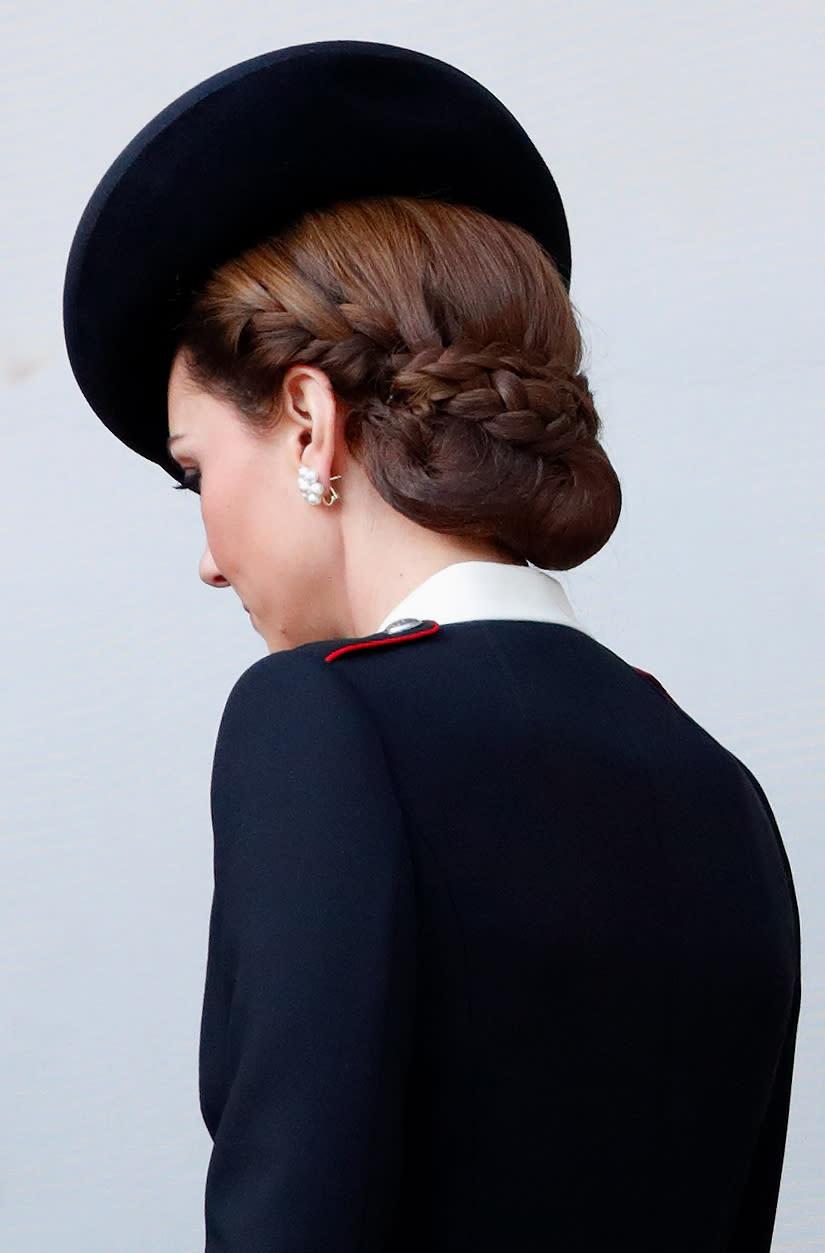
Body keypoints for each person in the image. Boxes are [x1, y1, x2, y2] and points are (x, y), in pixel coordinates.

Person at [63, 40, 801, 1253]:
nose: (204, 554)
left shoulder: (319, 720)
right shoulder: (720, 788)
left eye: (197, 469)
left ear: (307, 418)